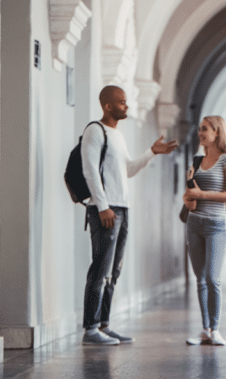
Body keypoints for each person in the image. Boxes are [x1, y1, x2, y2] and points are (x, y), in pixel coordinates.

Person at [81, 85, 177, 345]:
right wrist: (102, 206)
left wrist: (151, 152)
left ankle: (104, 324)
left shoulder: (118, 136)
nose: (127, 106)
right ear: (107, 105)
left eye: (126, 101)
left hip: (122, 207)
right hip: (105, 208)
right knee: (100, 268)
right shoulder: (95, 131)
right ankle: (90, 328)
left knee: (114, 270)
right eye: (122, 102)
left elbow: (128, 170)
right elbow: (89, 171)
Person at [183, 116, 226, 346]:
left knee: (212, 278)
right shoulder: (196, 160)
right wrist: (189, 197)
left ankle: (216, 329)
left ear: (217, 132)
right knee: (200, 280)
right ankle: (205, 329)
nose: (200, 133)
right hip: (194, 222)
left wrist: (202, 195)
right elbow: (189, 194)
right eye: (199, 129)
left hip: (216, 224)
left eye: (204, 129)